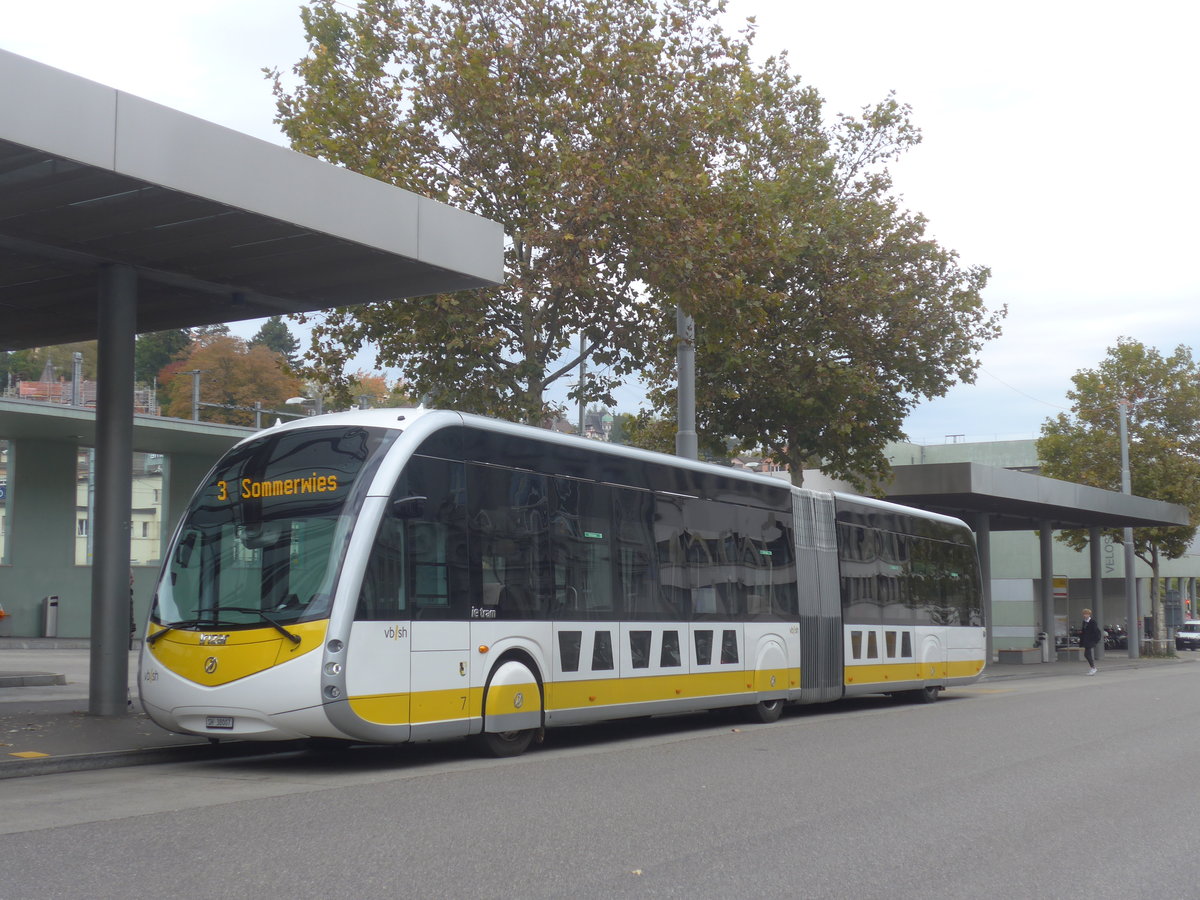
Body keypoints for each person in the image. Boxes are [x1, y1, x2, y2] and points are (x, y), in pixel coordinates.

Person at [1080, 607, 1102, 676]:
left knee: (1087, 654)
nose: (1085, 615)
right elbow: (1083, 631)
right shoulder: (1084, 622)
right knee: (1087, 654)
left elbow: (1096, 631)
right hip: (1086, 640)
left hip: (1090, 640)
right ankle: (1093, 668)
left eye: (1086, 614)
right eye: (1084, 614)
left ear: (1089, 614)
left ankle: (1093, 668)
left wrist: (1094, 640)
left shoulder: (1092, 622)